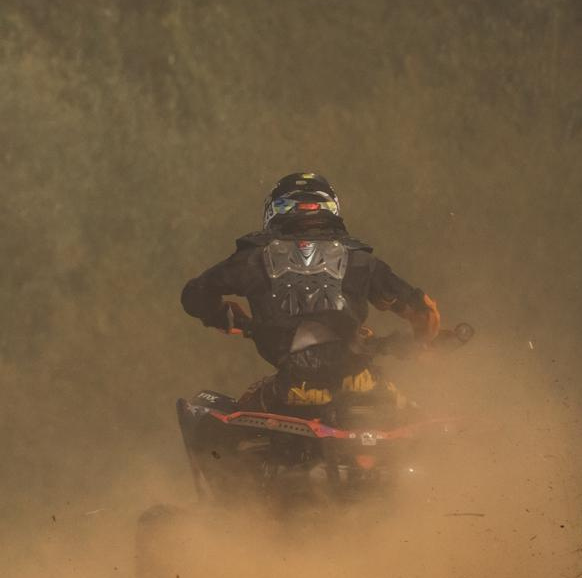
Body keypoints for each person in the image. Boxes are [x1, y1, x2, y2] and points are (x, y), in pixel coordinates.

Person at [179, 172, 442, 412]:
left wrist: (223, 316)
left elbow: (194, 296)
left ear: (275, 211)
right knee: (416, 424)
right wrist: (421, 344)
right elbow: (424, 310)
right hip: (361, 384)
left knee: (229, 427)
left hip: (292, 391)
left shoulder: (252, 258)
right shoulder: (361, 261)